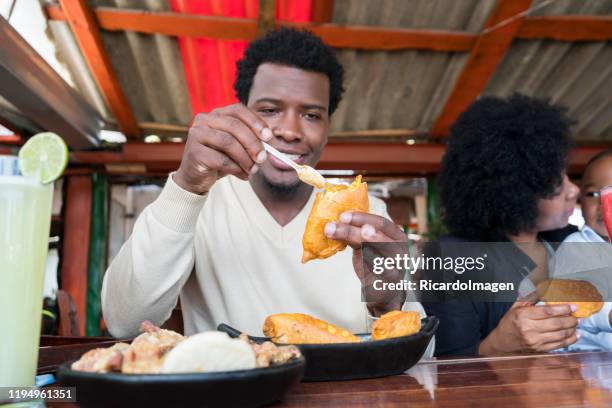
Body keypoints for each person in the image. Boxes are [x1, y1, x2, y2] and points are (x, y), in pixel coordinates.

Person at [101, 28, 428, 347]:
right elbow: (124, 323)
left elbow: (423, 353)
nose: (289, 130)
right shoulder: (200, 204)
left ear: (328, 127)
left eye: (312, 115)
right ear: (241, 114)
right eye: (269, 110)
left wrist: (387, 303)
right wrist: (186, 187)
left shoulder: (368, 216)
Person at [422, 94, 580, 356]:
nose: (573, 190)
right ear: (512, 189)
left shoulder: (574, 241)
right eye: (554, 183)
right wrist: (497, 346)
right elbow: (446, 373)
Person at [552, 149, 612, 351]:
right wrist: (608, 316)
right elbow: (571, 308)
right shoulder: (576, 248)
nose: (603, 204)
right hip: (583, 361)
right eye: (593, 194)